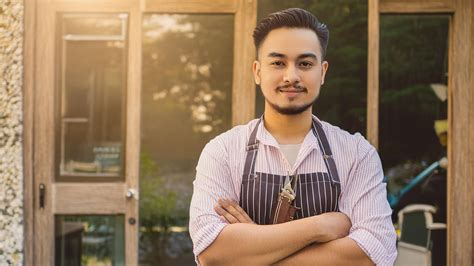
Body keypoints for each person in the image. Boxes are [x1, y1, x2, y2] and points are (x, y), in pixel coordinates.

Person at [189, 8, 397, 265]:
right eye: (278, 63)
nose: (291, 76)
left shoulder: (357, 153)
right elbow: (212, 252)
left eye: (305, 64)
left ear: (322, 72)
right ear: (257, 71)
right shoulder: (223, 150)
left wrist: (254, 249)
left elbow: (372, 253)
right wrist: (320, 226)